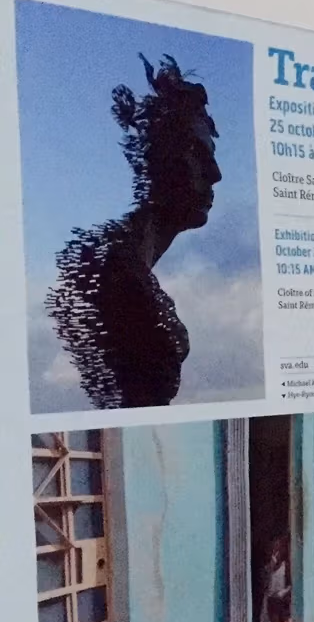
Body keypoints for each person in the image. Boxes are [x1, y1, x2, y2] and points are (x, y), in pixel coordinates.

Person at [45, 53, 222, 408]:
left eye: (211, 155)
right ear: (161, 156)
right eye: (198, 153)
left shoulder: (121, 259)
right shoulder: (115, 267)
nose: (215, 173)